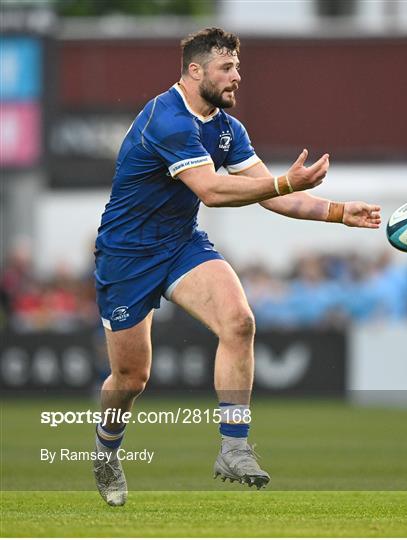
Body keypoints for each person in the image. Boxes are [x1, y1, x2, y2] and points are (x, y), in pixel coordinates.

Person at [93, 27, 381, 506]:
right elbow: (212, 191)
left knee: (240, 321)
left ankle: (234, 446)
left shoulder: (227, 128)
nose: (237, 77)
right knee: (131, 378)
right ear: (194, 71)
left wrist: (336, 211)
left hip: (181, 244)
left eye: (238, 67)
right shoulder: (167, 118)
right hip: (126, 256)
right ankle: (105, 452)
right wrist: (285, 183)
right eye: (227, 68)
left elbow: (269, 194)